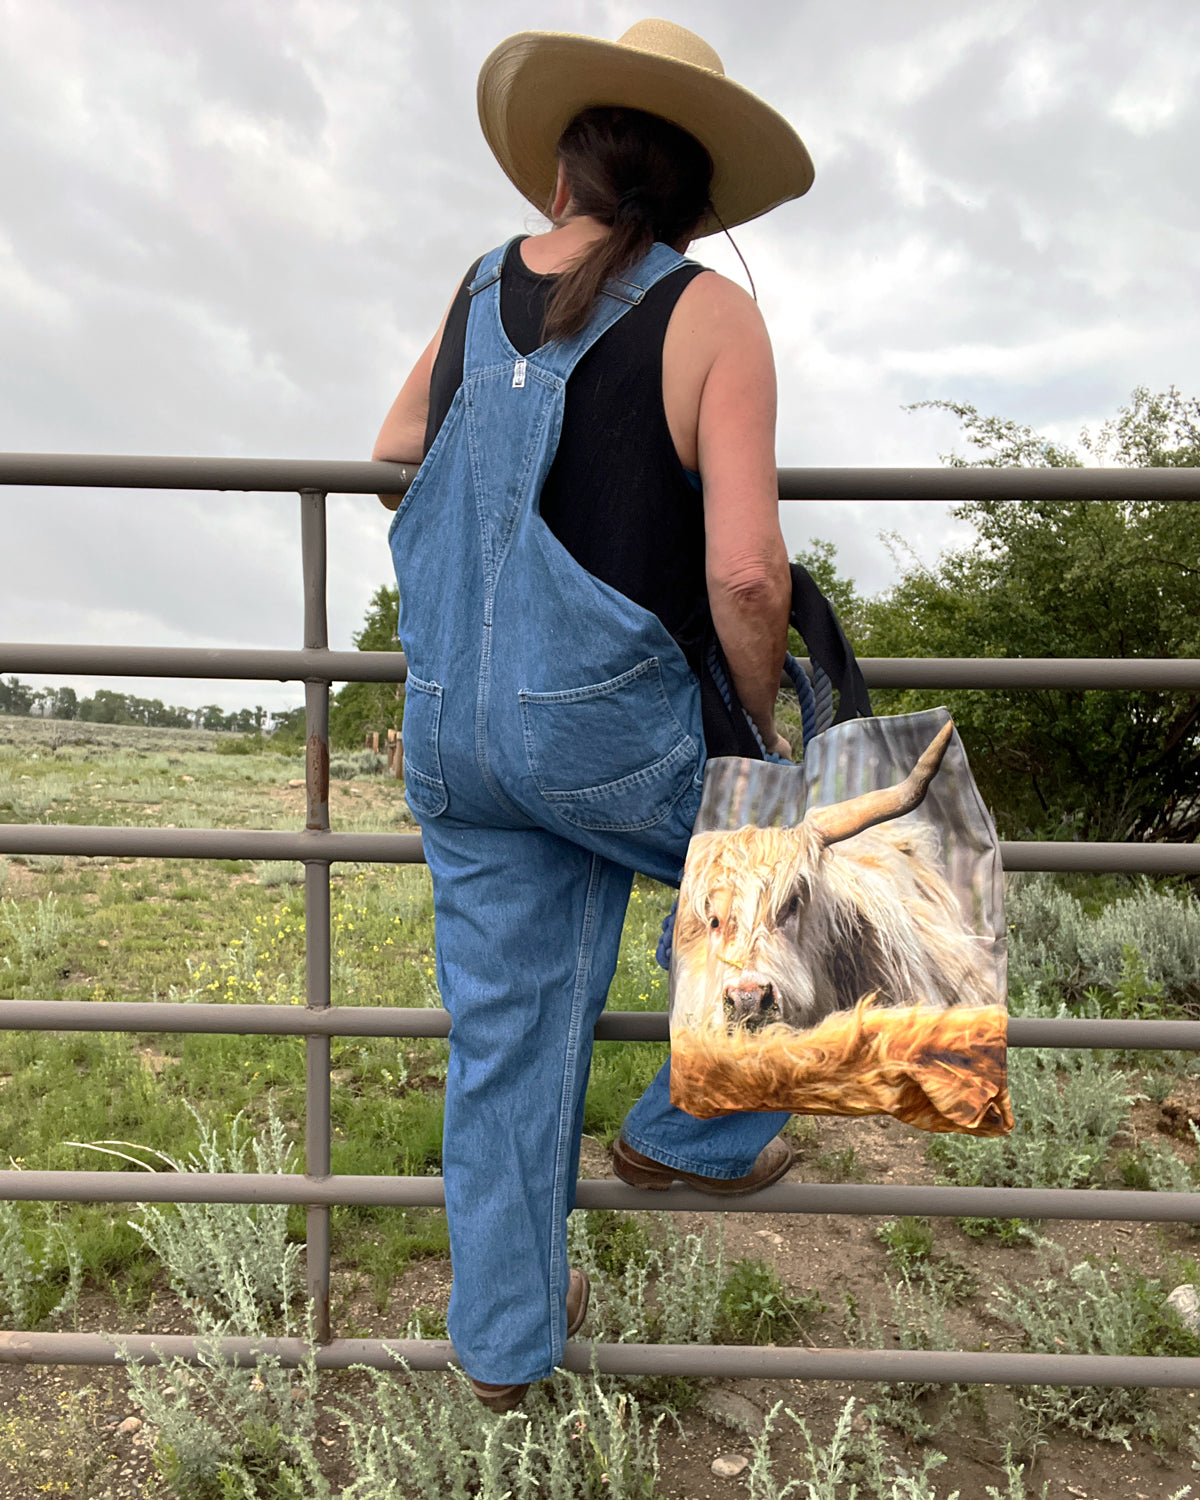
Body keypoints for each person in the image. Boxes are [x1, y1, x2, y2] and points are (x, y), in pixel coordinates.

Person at [372, 19, 813, 1411]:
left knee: (504, 1040)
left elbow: (395, 453)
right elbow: (747, 573)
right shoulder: (711, 314)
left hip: (455, 731)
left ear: (565, 166)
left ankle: (503, 1355)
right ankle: (697, 1130)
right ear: (696, 193)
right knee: (814, 882)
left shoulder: (475, 286)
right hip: (612, 740)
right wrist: (752, 736)